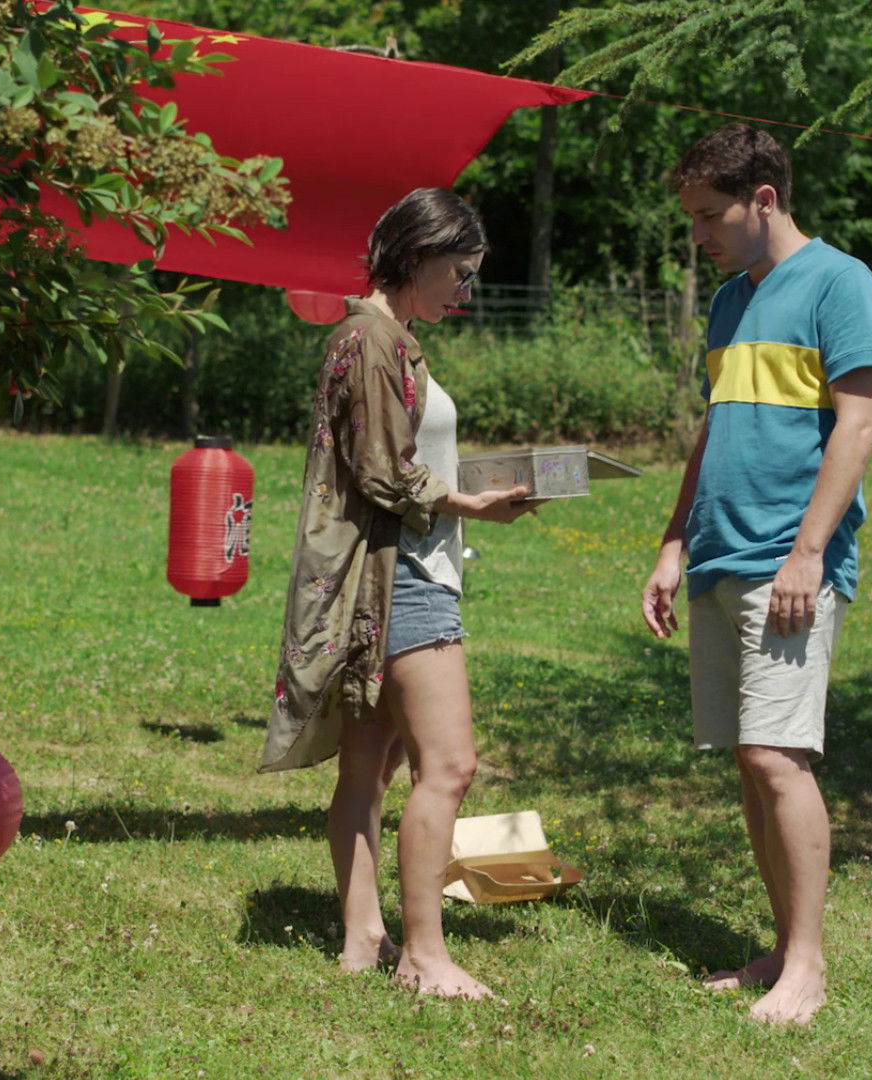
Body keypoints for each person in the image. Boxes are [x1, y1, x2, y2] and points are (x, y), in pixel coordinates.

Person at [259, 187, 536, 1001]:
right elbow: (385, 472)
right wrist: (469, 502)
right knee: (449, 765)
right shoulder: (372, 339)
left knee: (369, 770)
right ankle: (424, 955)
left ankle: (363, 936)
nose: (465, 290)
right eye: (460, 271)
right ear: (418, 256)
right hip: (402, 577)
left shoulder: (386, 337)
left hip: (393, 570)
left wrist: (470, 488)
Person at [640, 124, 872, 1025]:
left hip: (790, 560)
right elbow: (715, 429)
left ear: (766, 200)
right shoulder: (731, 300)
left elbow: (858, 427)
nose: (698, 235)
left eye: (711, 217)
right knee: (749, 764)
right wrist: (675, 541)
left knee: (776, 756)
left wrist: (809, 552)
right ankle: (783, 949)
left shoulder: (841, 283)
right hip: (720, 554)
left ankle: (809, 969)